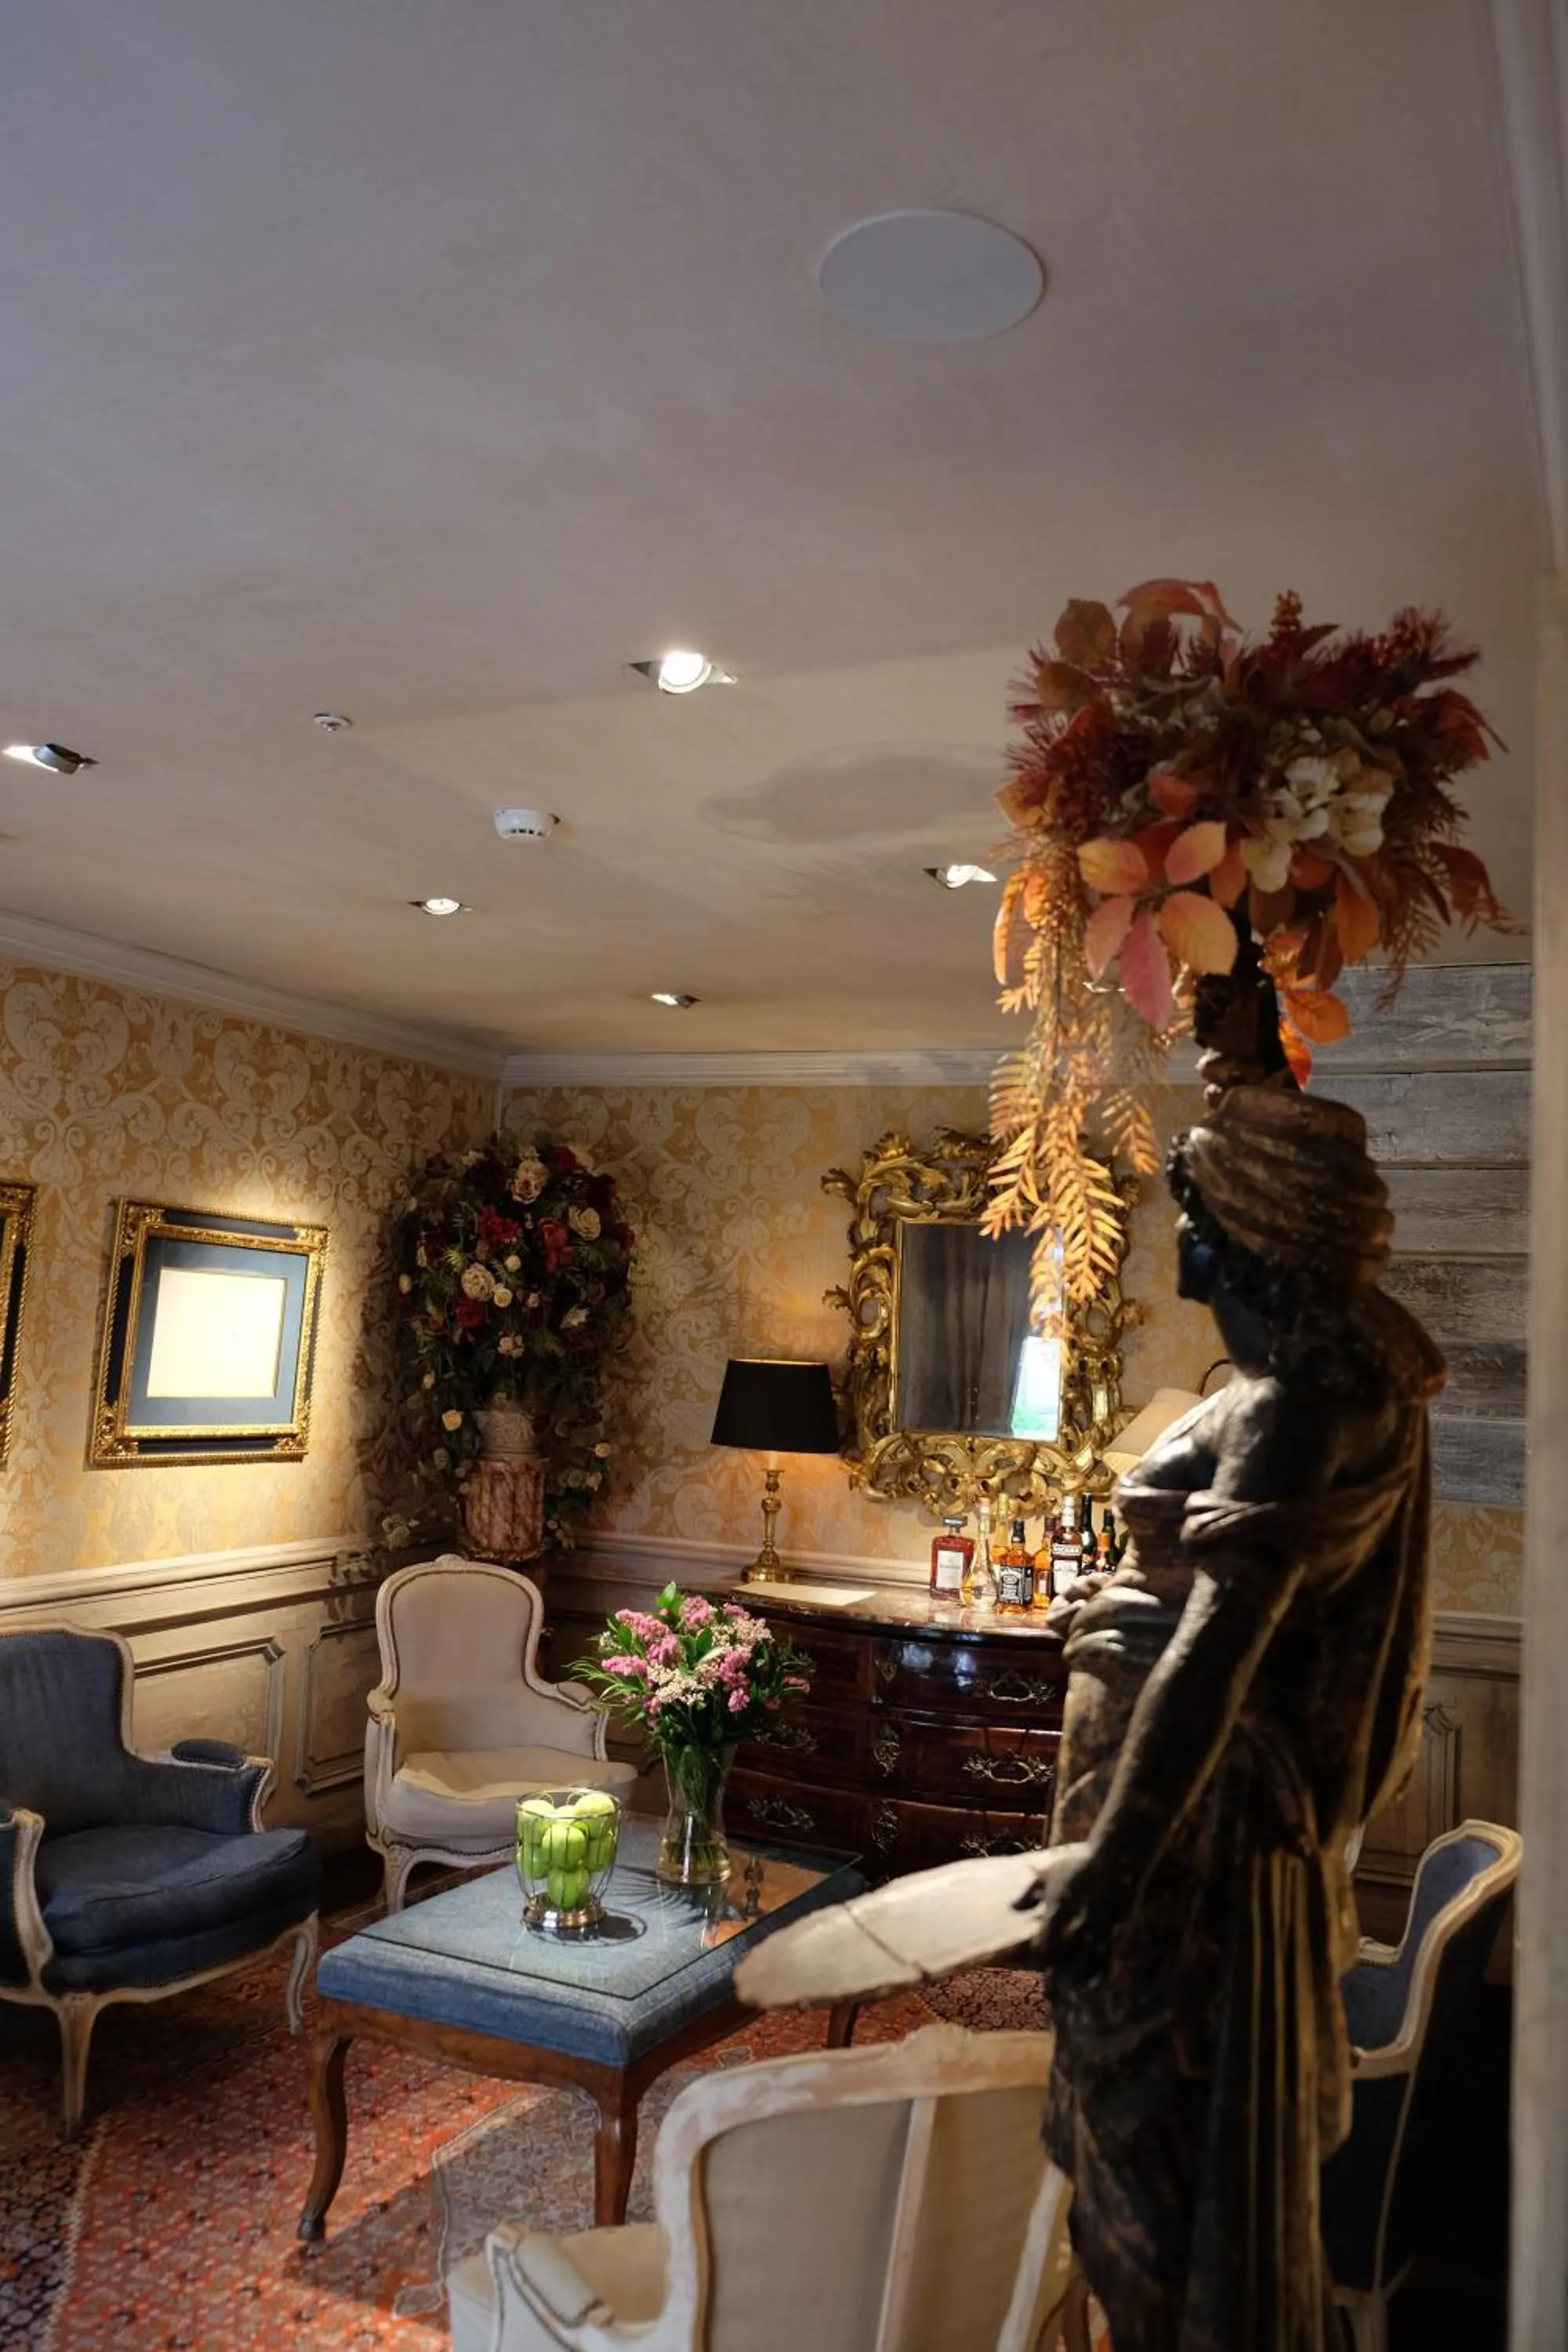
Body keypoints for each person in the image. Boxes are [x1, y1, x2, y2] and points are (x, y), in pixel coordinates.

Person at [1032, 1083, 1445, 2352]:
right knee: (1138, 2172)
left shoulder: (1296, 1404)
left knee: (1156, 2183)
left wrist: (1117, 1859)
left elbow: (1218, 1652)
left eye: (1197, 1212)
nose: (1179, 1244)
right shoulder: (1299, 1382)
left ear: (1257, 1232)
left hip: (1199, 1859)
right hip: (1189, 1839)